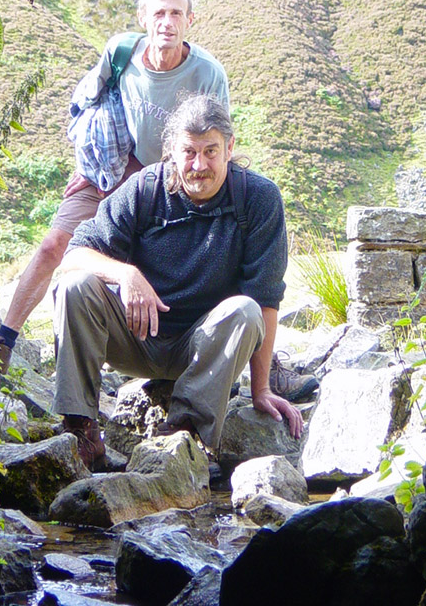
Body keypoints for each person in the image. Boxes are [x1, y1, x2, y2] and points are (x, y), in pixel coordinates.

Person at [0, 0, 229, 383]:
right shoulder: (121, 53)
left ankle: (246, 360)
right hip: (113, 172)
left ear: (190, 21)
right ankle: (0, 346)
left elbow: (217, 138)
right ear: (143, 17)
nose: (167, 22)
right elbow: (86, 106)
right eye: (159, 12)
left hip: (171, 182)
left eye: (176, 13)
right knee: (52, 246)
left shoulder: (207, 73)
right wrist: (88, 163)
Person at [52, 93, 305, 469]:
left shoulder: (259, 199)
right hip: (135, 337)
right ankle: (81, 430)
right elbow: (73, 255)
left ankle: (183, 433)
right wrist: (126, 274)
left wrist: (261, 388)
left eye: (211, 151)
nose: (199, 165)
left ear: (230, 148)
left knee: (245, 310)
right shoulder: (145, 189)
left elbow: (265, 300)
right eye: (188, 152)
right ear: (171, 151)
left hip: (204, 350)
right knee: (74, 286)